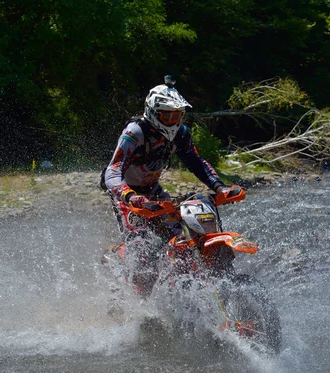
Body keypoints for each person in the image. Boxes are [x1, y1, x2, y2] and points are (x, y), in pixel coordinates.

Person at [103, 76, 243, 295]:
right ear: (153, 113)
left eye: (177, 115)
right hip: (128, 196)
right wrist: (130, 197)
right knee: (141, 250)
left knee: (181, 237)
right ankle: (137, 303)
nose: (172, 121)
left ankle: (184, 288)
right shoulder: (135, 132)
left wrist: (219, 187)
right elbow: (112, 171)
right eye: (167, 115)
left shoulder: (181, 134)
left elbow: (196, 162)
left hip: (155, 192)